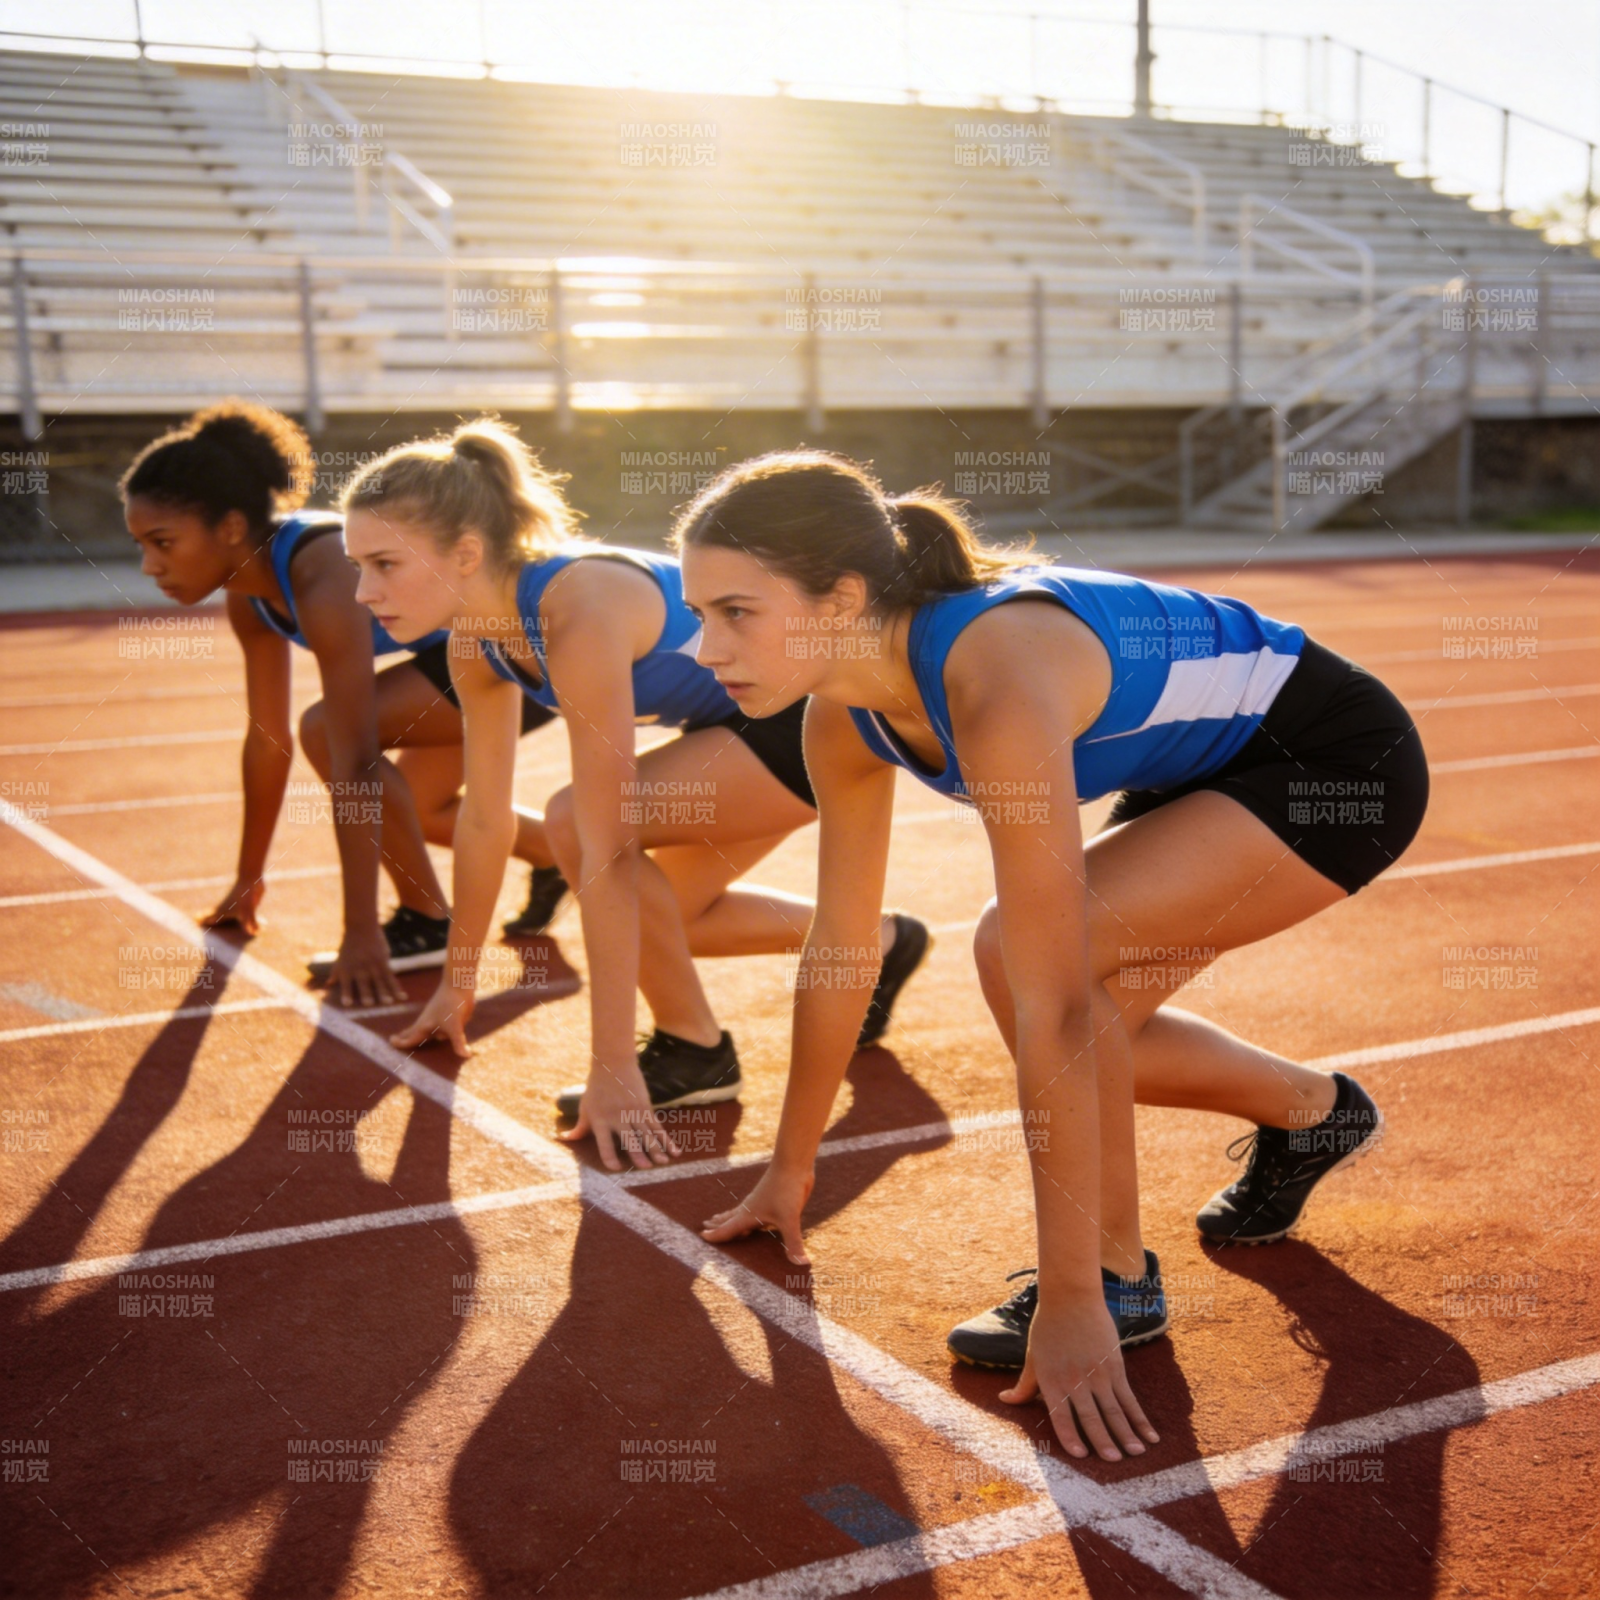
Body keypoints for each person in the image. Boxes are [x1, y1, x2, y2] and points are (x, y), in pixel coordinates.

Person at [682, 451, 1427, 1463]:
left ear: (842, 596)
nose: (702, 644)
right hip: (1195, 764)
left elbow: (1055, 1006)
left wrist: (1067, 1295)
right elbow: (840, 943)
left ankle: (1112, 1283)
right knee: (1085, 1003)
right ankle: (1312, 1111)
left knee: (1031, 965)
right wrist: (790, 1165)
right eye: (698, 613)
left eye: (735, 611)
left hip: (1333, 760)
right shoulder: (838, 714)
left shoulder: (996, 679)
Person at [339, 419, 930, 1172]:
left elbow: (606, 835)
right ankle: (881, 942)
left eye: (383, 563)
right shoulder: (475, 641)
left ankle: (693, 1049)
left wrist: (610, 1062)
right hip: (735, 726)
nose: (363, 591)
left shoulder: (579, 605)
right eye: (357, 565)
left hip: (802, 718)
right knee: (670, 918)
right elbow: (486, 819)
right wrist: (460, 984)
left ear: (465, 553)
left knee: (575, 822)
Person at [121, 401, 564, 1006]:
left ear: (228, 528)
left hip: (515, 658)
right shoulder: (247, 597)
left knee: (328, 732)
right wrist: (249, 878)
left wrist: (360, 934)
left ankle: (425, 920)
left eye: (162, 542)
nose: (149, 566)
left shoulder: (323, 569)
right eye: (141, 545)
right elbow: (265, 741)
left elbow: (353, 757)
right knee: (429, 812)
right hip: (460, 663)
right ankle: (561, 855)